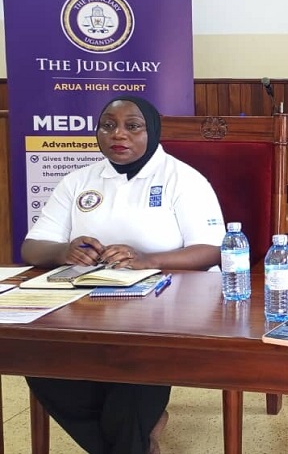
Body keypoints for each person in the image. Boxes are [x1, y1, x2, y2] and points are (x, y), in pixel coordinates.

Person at [22, 95, 226, 454]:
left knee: (133, 365)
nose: (118, 134)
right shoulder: (77, 181)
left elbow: (212, 249)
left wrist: (147, 259)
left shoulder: (184, 179)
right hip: (84, 306)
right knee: (36, 355)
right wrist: (62, 250)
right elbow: (32, 247)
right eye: (107, 125)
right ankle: (136, 443)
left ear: (153, 131)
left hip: (165, 309)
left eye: (133, 126)